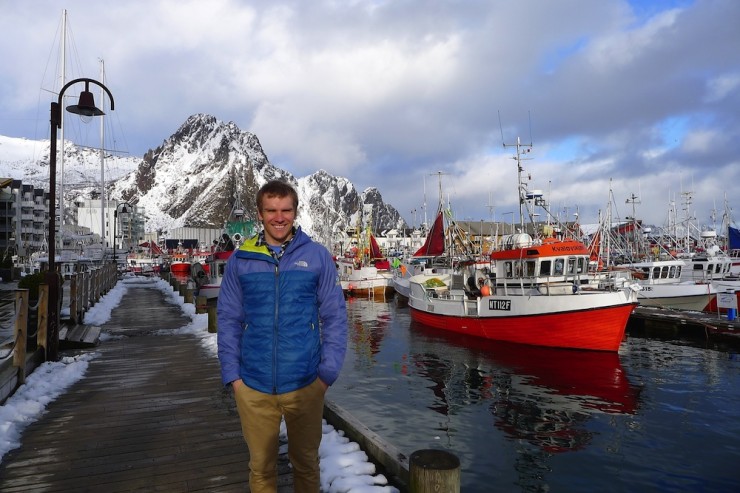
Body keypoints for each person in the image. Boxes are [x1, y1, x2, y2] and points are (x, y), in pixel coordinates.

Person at [217, 179, 348, 493]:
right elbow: (229, 319)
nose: (279, 217)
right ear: (259, 214)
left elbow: (335, 317)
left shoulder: (316, 256)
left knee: (306, 466)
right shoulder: (241, 260)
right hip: (253, 386)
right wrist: (233, 377)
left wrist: (326, 375)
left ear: (295, 211)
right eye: (271, 210)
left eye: (285, 210)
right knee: (261, 469)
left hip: (305, 386)